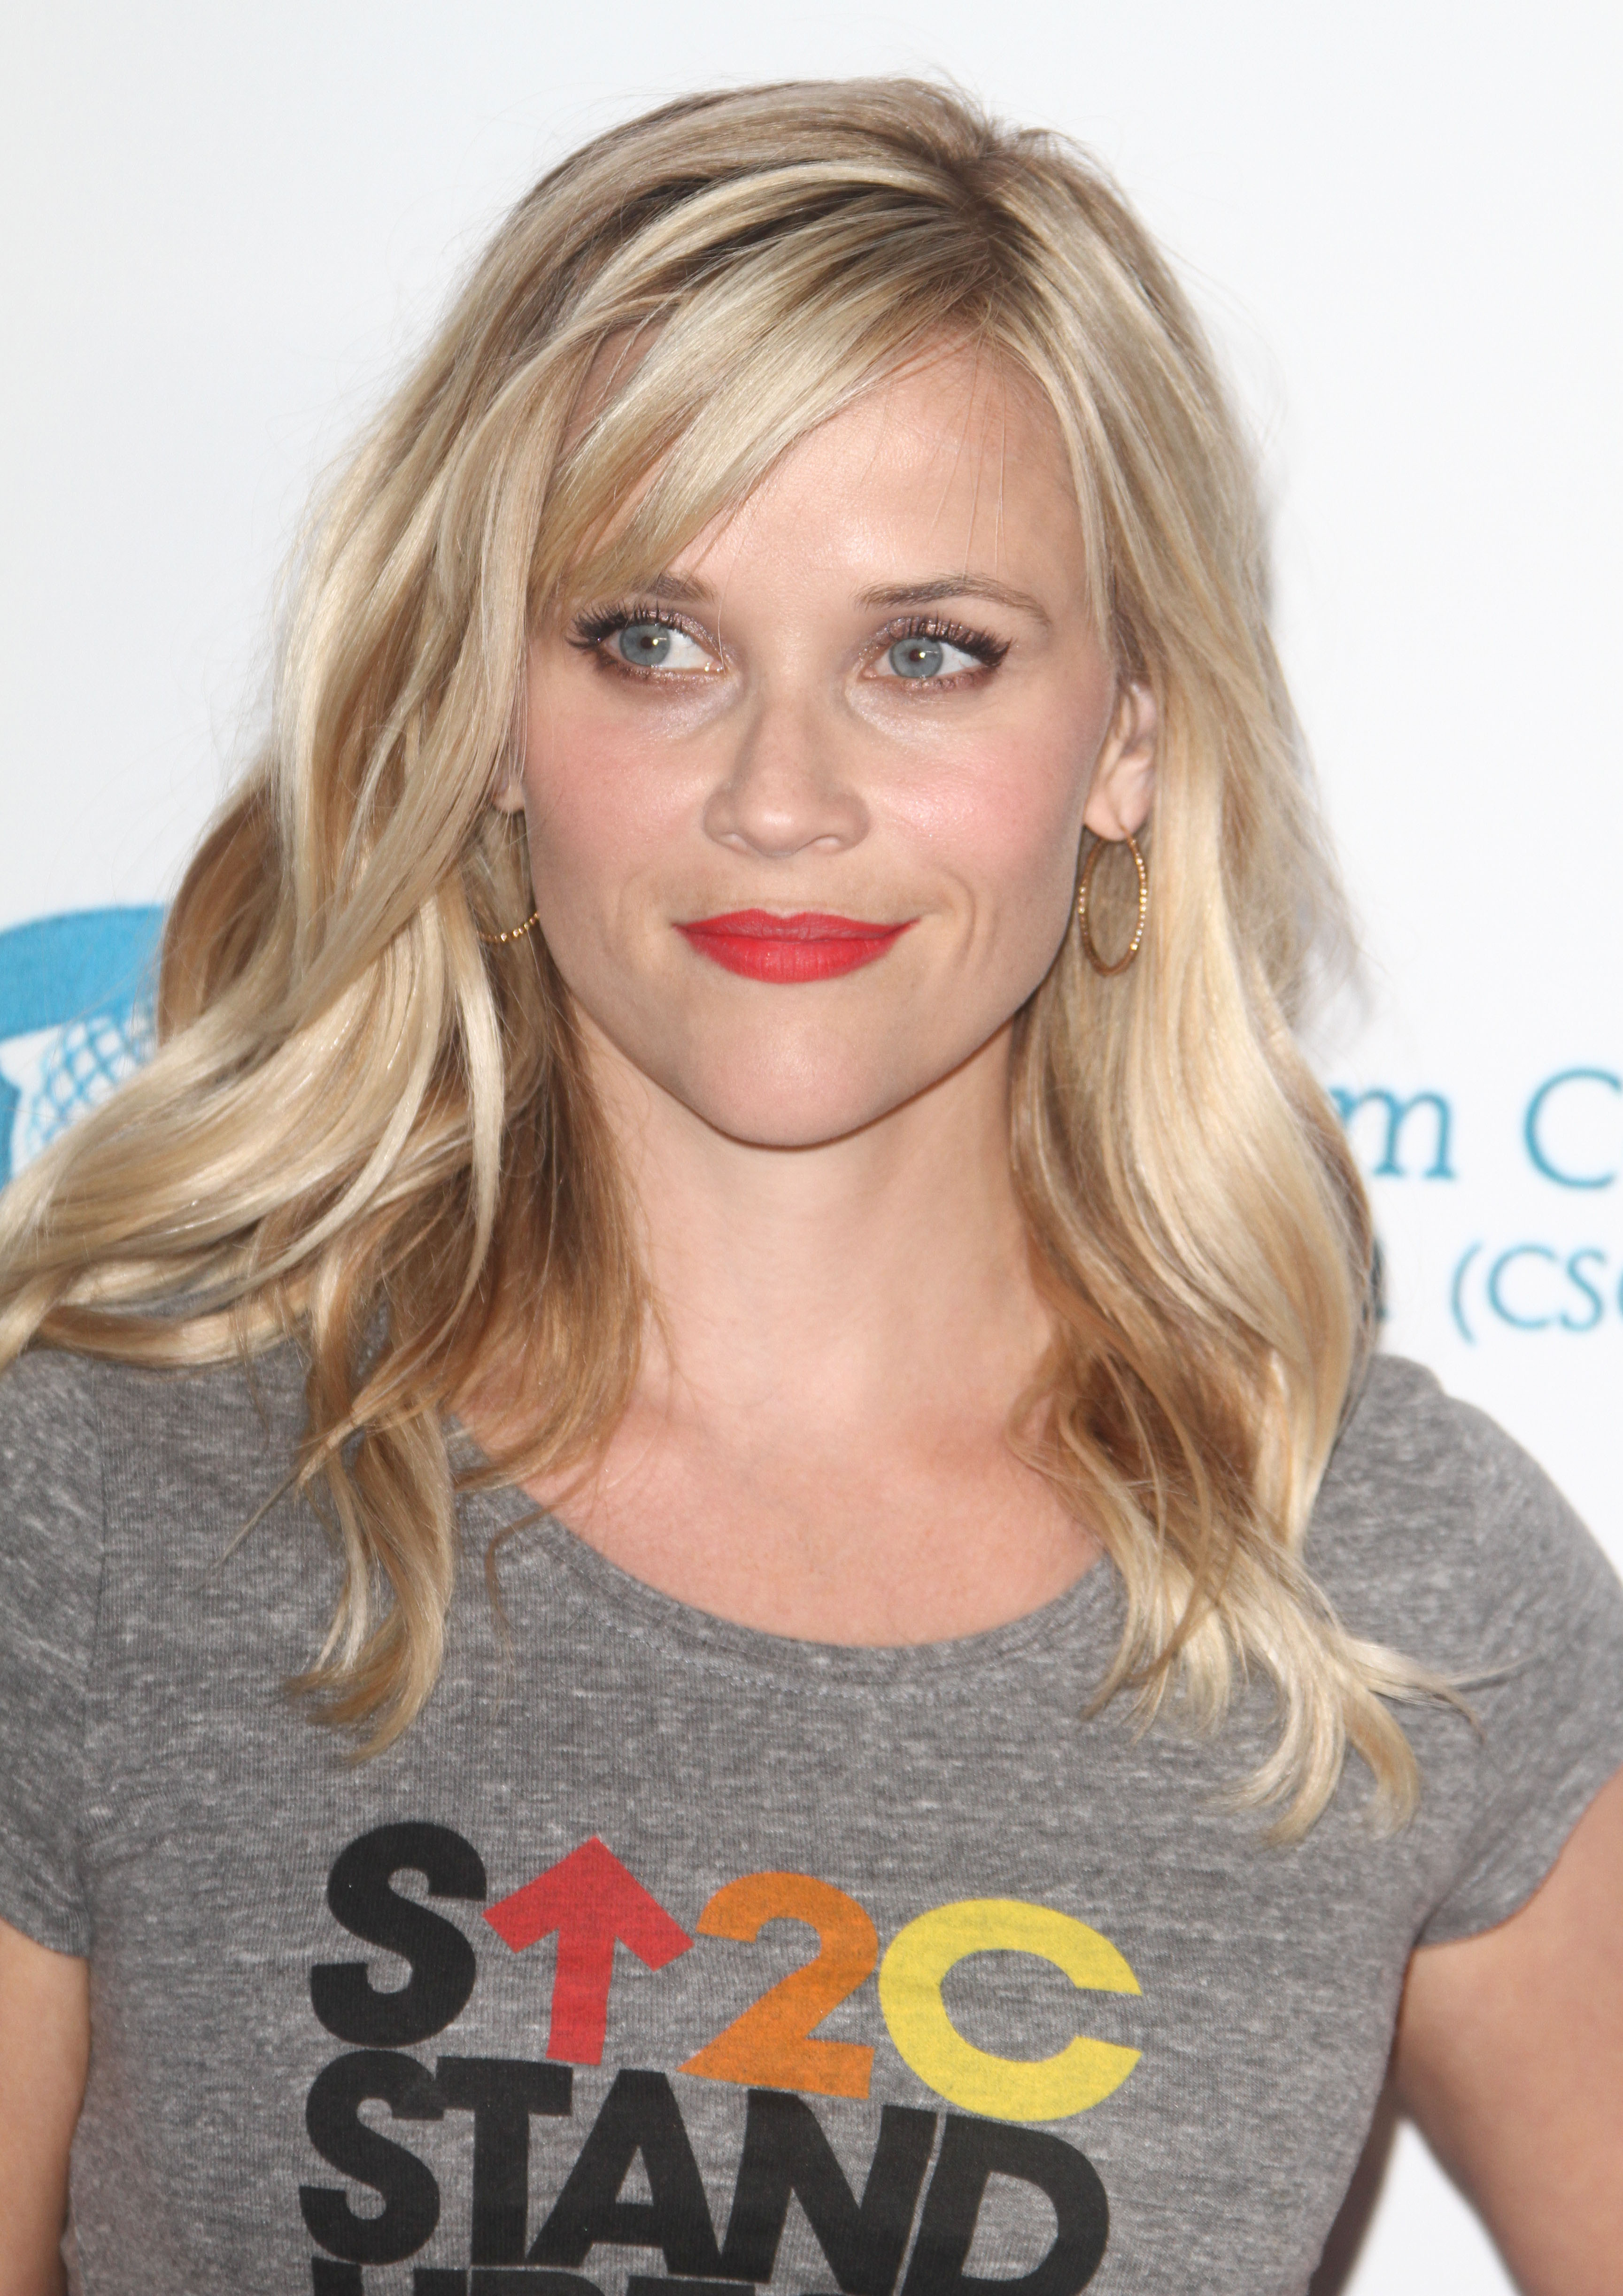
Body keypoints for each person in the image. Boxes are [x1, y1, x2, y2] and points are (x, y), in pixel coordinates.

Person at [0, 78, 1618, 2296]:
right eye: (651, 640)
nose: (781, 794)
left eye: (926, 652)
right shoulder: (105, 1506)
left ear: (1129, 732)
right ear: (485, 714)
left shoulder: (1376, 1589)